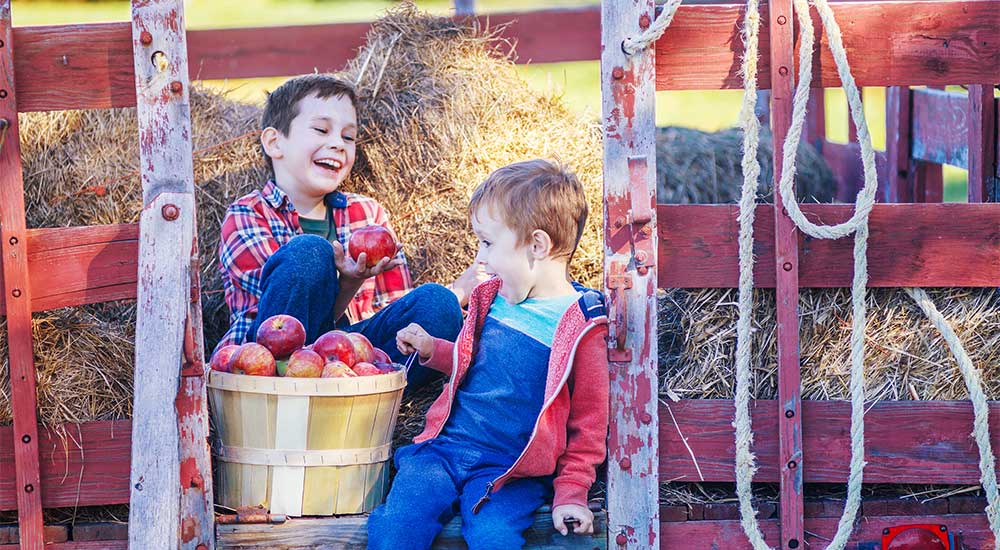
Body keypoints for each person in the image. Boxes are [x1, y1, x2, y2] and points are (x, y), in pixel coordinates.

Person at [367, 159, 609, 549]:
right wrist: (433, 350)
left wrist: (571, 495)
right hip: (445, 451)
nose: (480, 258)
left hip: (510, 471)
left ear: (537, 245)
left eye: (488, 243)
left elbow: (588, 426)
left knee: (494, 537)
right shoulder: (491, 298)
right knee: (396, 525)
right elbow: (473, 363)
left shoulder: (580, 326)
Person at [217, 73, 482, 389]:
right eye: (321, 130)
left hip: (352, 363)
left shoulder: (367, 214)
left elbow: (395, 315)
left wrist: (455, 293)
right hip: (275, 368)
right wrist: (350, 283)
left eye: (348, 137)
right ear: (275, 143)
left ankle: (363, 404)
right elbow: (282, 324)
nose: (337, 144)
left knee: (436, 304)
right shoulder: (248, 215)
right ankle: (293, 408)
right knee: (309, 252)